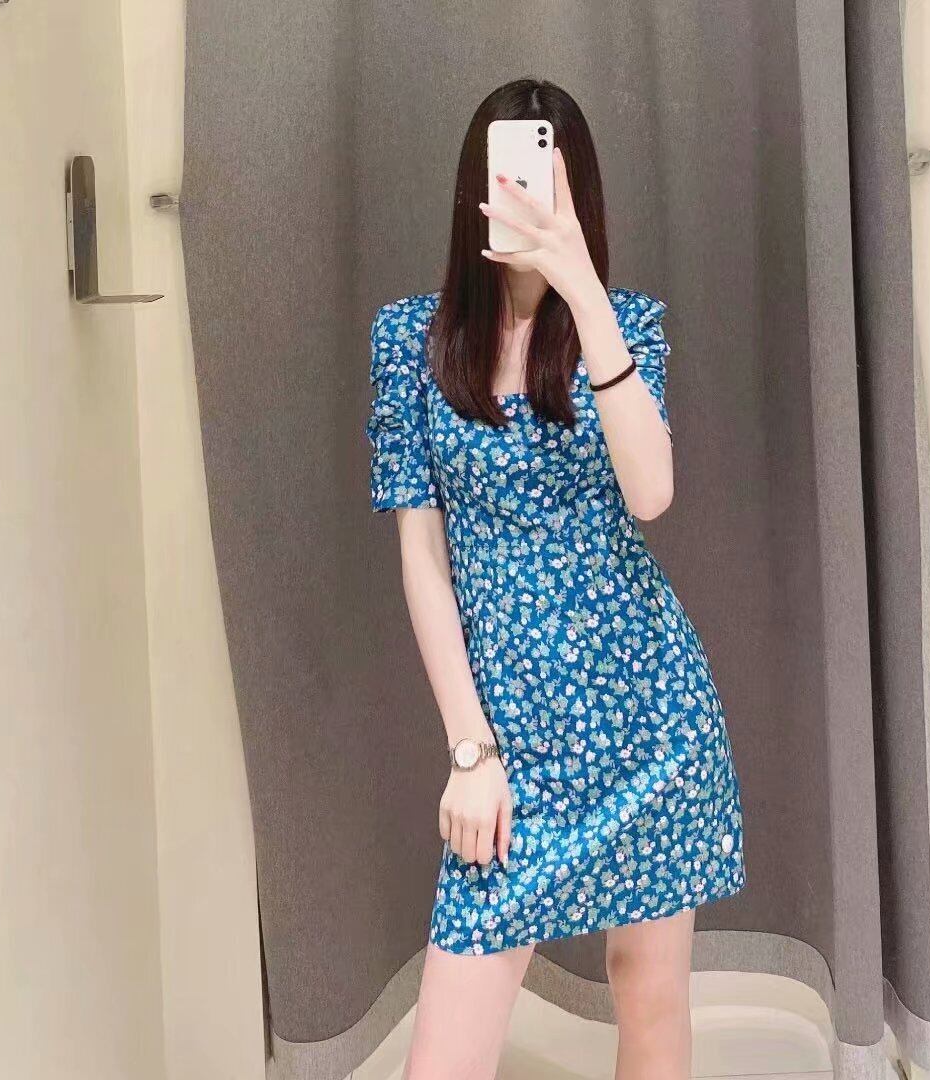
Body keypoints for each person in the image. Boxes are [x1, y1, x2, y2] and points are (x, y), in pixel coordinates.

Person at [365, 77, 746, 1080]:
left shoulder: (626, 326)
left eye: (548, 183)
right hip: (506, 741)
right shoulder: (411, 341)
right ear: (475, 191)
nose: (526, 200)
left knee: (651, 1002)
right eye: (510, 180)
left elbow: (652, 494)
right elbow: (421, 559)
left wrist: (581, 287)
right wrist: (469, 750)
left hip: (648, 721)